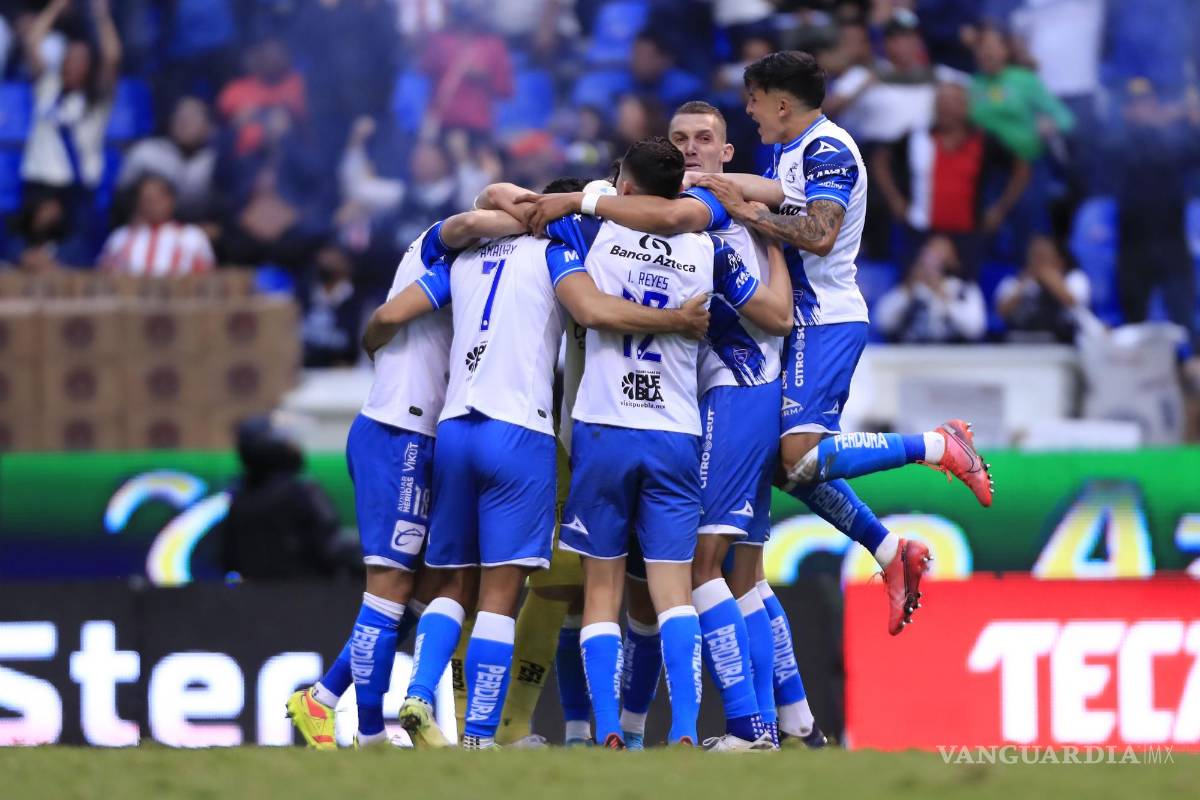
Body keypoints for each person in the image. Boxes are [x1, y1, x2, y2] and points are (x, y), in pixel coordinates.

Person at [523, 102, 818, 748]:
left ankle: (604, 731)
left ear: (624, 183)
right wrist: (766, 239)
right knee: (674, 589)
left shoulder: (593, 230)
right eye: (682, 143)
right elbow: (771, 306)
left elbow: (575, 281)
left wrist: (570, 203)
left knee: (598, 589)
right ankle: (685, 729)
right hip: (678, 431)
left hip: (600, 427)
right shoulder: (704, 245)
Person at [396, 173, 712, 751]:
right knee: (512, 594)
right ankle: (485, 736)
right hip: (533, 433)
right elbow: (592, 309)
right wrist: (678, 321)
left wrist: (376, 331)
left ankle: (420, 692)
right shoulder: (566, 250)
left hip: (454, 425)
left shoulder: (463, 255)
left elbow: (482, 205)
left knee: (458, 585)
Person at [688, 51, 994, 638]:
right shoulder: (794, 148)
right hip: (797, 321)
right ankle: (887, 550)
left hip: (822, 317)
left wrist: (745, 213)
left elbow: (821, 234)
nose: (747, 111)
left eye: (753, 100)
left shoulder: (828, 150)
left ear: (781, 101)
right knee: (783, 467)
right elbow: (768, 189)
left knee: (801, 455)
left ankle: (937, 444)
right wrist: (701, 182)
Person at [286, 206, 536, 749]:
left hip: (427, 436)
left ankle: (324, 697)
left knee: (433, 590)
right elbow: (386, 314)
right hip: (400, 431)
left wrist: (379, 338)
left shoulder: (478, 274)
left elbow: (382, 324)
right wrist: (535, 218)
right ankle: (371, 735)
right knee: (391, 587)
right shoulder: (441, 253)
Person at [872, 81, 1030, 273]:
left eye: (953, 101)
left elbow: (1021, 167)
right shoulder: (917, 136)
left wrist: (1000, 209)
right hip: (919, 230)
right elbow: (880, 159)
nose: (946, 107)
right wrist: (895, 200)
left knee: (963, 295)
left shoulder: (984, 141)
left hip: (967, 234)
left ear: (966, 107)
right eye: (941, 101)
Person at [19, 0, 121, 255]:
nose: (74, 64)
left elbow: (113, 57)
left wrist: (101, 16)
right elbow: (32, 42)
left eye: (81, 59)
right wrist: (55, 7)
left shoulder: (97, 101)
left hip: (78, 189)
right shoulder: (47, 87)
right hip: (39, 182)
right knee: (26, 245)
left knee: (77, 250)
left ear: (90, 65)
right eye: (70, 57)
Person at [217, 417, 340, 582]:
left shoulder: (239, 497)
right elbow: (330, 545)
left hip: (254, 597)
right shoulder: (302, 491)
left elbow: (228, 557)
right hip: (307, 595)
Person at [117, 96, 218, 223]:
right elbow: (120, 201)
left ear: (209, 127)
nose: (185, 122)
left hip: (199, 233)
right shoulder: (146, 153)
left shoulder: (217, 163)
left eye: (193, 116)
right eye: (181, 116)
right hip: (146, 231)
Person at [875, 235, 987, 343]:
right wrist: (908, 290)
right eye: (931, 251)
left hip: (952, 354)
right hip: (911, 353)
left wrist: (943, 296)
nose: (934, 258)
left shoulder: (964, 289)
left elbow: (975, 329)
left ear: (953, 260)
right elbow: (882, 322)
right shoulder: (909, 288)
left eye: (941, 253)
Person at [99, 175, 215, 276]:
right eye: (147, 200)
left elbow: (206, 279)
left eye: (158, 199)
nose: (152, 205)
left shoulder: (192, 237)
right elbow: (105, 277)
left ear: (171, 201)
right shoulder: (120, 238)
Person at [996, 235, 1091, 344]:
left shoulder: (1074, 279)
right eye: (1035, 256)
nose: (1038, 262)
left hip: (1060, 344)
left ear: (1059, 260)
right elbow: (1001, 313)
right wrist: (1023, 286)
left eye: (1043, 256)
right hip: (1019, 344)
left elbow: (1076, 304)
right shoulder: (1014, 281)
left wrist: (1050, 280)